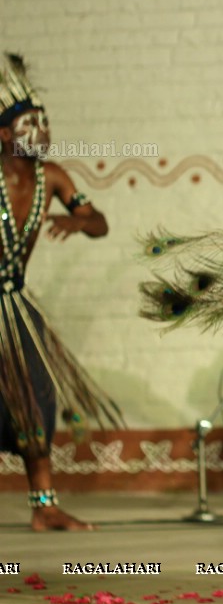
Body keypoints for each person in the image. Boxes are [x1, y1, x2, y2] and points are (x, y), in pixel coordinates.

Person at [0, 52, 118, 531]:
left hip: (15, 306)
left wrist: (80, 219)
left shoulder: (55, 179)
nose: (43, 132)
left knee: (35, 399)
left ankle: (44, 505)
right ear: (5, 133)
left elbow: (101, 221)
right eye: (31, 123)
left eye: (45, 122)